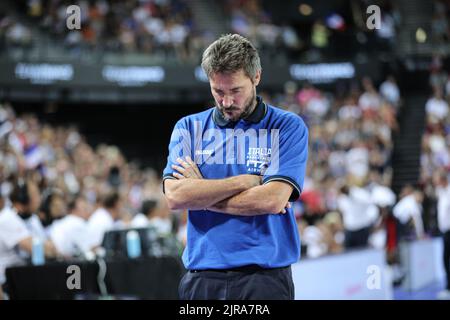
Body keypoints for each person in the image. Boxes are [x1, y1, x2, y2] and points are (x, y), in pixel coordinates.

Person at [163, 34, 308, 300]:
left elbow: (272, 200)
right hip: (201, 277)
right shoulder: (188, 128)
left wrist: (202, 194)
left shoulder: (287, 126)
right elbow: (175, 196)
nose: (227, 102)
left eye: (235, 91)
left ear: (256, 77)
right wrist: (245, 181)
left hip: (264, 278)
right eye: (218, 91)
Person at [0, 180, 58, 298]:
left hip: (29, 276)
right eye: (36, 195)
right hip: (9, 282)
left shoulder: (33, 219)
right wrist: (44, 247)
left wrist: (45, 248)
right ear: (23, 199)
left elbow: (53, 250)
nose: (40, 199)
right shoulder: (7, 218)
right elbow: (36, 249)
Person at [436, 174, 450, 299]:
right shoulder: (441, 192)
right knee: (445, 259)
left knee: (447, 259)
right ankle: (448, 287)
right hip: (445, 231)